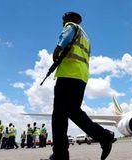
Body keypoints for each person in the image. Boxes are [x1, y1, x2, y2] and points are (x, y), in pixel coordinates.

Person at [49, 11, 115, 160]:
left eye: (66, 16)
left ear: (74, 19)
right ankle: (103, 136)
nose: (64, 19)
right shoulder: (86, 37)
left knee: (59, 115)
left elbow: (64, 39)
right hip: (81, 77)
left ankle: (60, 155)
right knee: (72, 111)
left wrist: (57, 49)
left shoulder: (71, 26)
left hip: (68, 74)